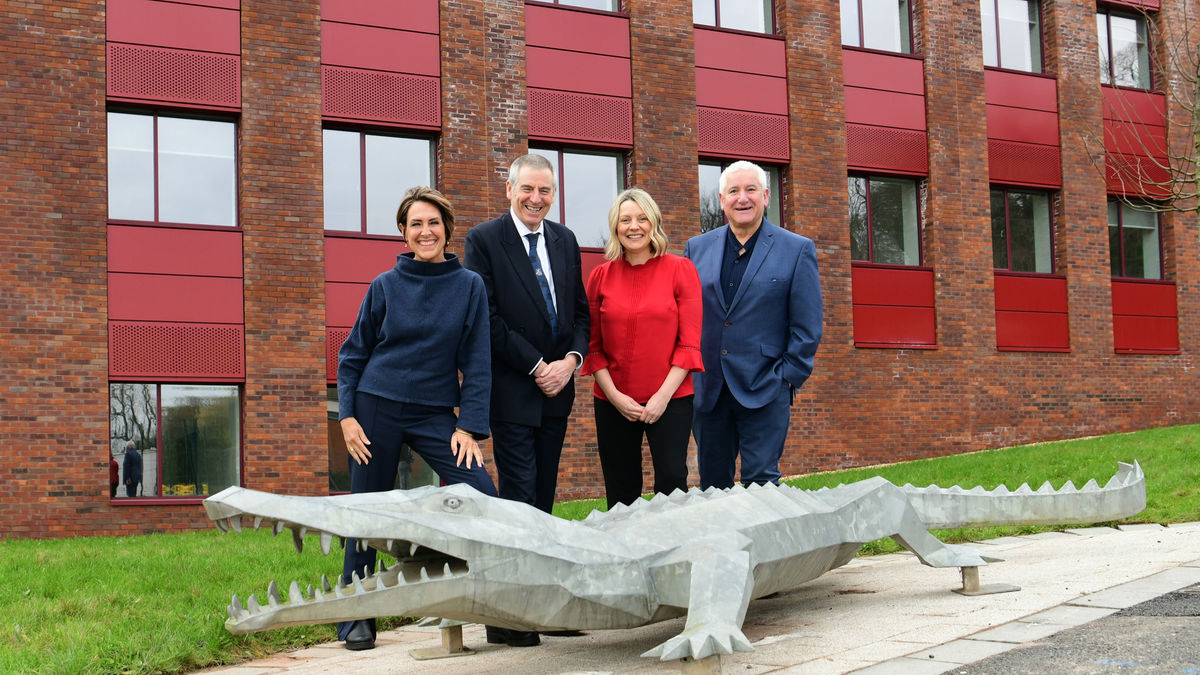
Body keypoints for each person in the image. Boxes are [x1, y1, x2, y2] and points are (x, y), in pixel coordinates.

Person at [335, 185, 498, 652]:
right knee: (367, 509)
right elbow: (352, 357)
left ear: (447, 229)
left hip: (434, 414)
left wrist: (468, 426)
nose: (425, 231)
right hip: (375, 407)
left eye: (433, 223)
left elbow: (478, 360)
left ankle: (475, 597)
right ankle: (357, 614)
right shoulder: (384, 286)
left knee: (481, 493)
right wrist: (347, 418)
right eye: (415, 224)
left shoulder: (470, 287)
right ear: (403, 233)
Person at [463, 154, 589, 648]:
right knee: (519, 500)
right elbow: (487, 319)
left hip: (558, 392)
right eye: (528, 189)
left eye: (545, 191)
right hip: (514, 391)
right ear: (509, 189)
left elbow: (579, 312)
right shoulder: (485, 240)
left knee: (545, 500)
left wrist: (572, 361)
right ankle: (508, 617)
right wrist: (538, 365)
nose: (536, 199)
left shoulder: (565, 240)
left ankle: (543, 605)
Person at [684, 160, 822, 489]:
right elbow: (686, 315)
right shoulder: (696, 248)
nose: (742, 198)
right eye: (733, 191)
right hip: (709, 389)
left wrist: (786, 378)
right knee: (712, 486)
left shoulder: (797, 249)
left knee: (762, 483)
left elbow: (807, 326)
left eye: (750, 190)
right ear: (721, 199)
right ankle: (722, 543)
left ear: (766, 196)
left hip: (765, 385)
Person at [581, 188, 703, 509]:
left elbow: (689, 343)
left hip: (671, 398)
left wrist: (661, 397)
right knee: (621, 488)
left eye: (641, 218)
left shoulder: (681, 269)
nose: (633, 227)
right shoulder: (599, 277)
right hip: (613, 401)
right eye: (625, 220)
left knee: (672, 480)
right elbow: (593, 349)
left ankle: (673, 552)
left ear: (654, 224)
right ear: (615, 227)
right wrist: (616, 397)